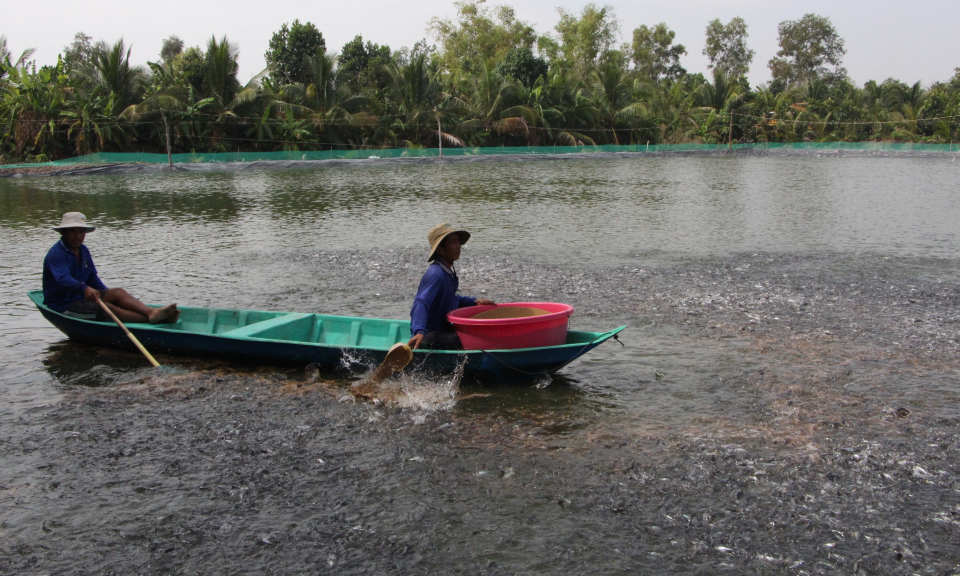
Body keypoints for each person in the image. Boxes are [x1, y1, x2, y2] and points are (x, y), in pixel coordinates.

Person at [42, 212, 180, 324]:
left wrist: (106, 294)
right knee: (109, 309)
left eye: (81, 231)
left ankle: (151, 312)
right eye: (72, 232)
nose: (77, 236)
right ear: (64, 233)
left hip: (81, 296)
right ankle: (156, 319)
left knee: (118, 293)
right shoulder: (57, 253)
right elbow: (63, 278)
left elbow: (92, 277)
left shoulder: (83, 250)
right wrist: (84, 289)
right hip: (63, 305)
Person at [408, 223, 495, 350]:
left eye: (458, 242)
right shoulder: (436, 275)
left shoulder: (447, 272)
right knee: (455, 340)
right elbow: (421, 303)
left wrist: (474, 302)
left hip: (441, 330)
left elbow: (451, 299)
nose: (458, 246)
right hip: (427, 334)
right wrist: (419, 331)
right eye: (453, 242)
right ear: (440, 249)